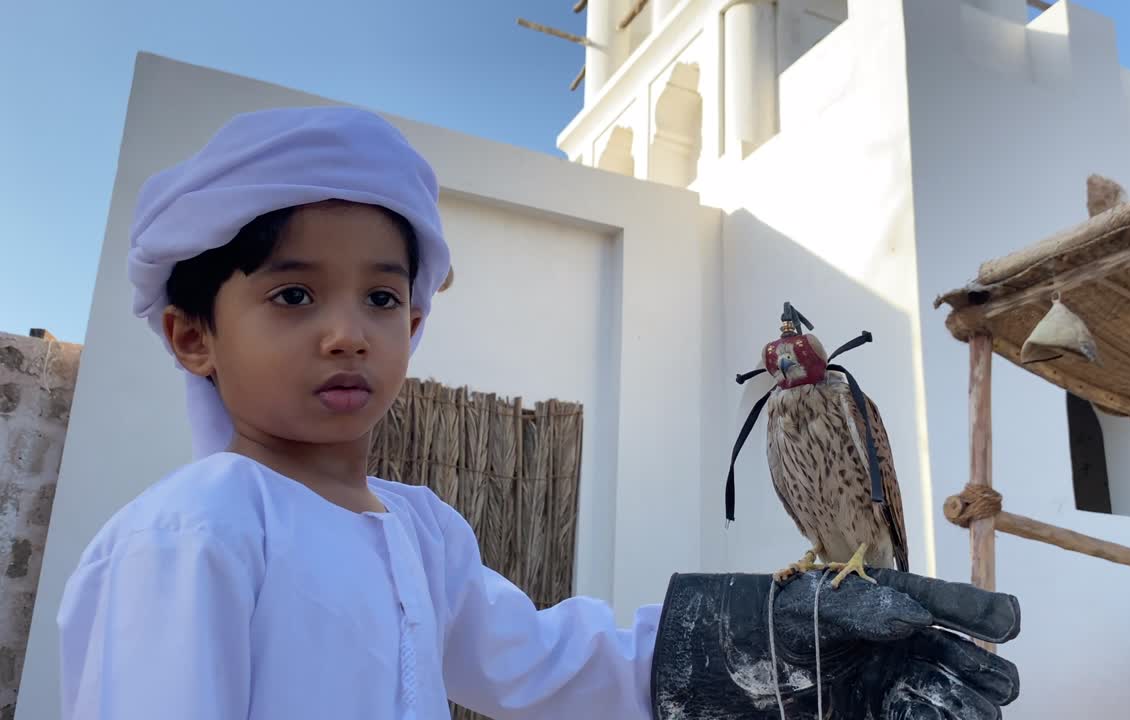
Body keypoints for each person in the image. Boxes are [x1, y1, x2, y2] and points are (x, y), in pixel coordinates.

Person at [56, 106, 1021, 719]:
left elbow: (557, 664)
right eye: (294, 296)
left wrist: (787, 648)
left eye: (382, 299)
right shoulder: (192, 536)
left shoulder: (421, 532)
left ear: (418, 320)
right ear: (192, 336)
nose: (347, 333)